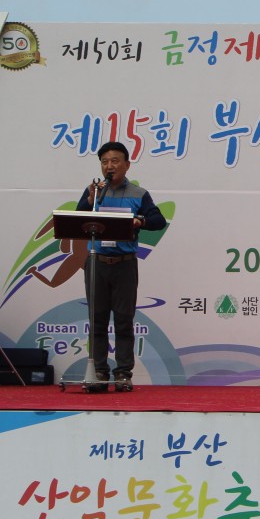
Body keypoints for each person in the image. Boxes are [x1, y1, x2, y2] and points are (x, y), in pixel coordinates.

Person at [76, 141, 167, 391]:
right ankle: (99, 373)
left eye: (115, 161)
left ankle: (123, 374)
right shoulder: (94, 192)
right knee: (97, 320)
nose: (109, 166)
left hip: (124, 265)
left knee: (124, 320)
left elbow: (158, 220)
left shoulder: (139, 194)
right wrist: (90, 200)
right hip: (97, 262)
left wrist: (140, 221)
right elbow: (78, 219)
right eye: (105, 162)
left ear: (127, 165)